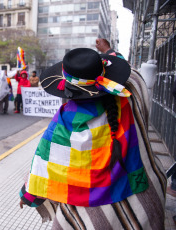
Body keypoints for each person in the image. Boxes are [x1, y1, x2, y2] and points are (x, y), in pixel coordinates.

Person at [19, 48, 166, 229]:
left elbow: (47, 168)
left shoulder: (64, 123)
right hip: (145, 206)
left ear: (67, 89)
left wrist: (28, 196)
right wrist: (109, 52)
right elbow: (131, 72)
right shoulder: (130, 94)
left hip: (92, 217)